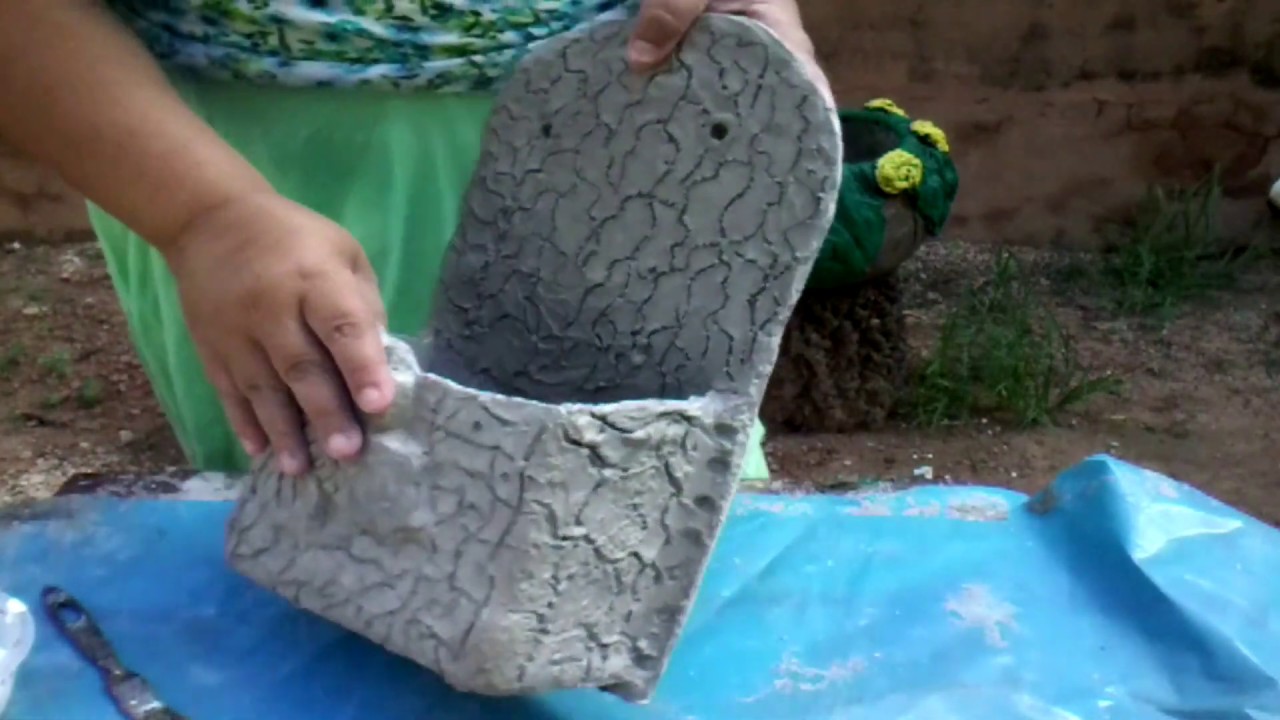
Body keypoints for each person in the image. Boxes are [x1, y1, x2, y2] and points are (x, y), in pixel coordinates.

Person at [0, 1, 830, 480]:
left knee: (655, 536)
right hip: (244, 173)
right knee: (361, 544)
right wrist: (206, 216)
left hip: (634, 113)